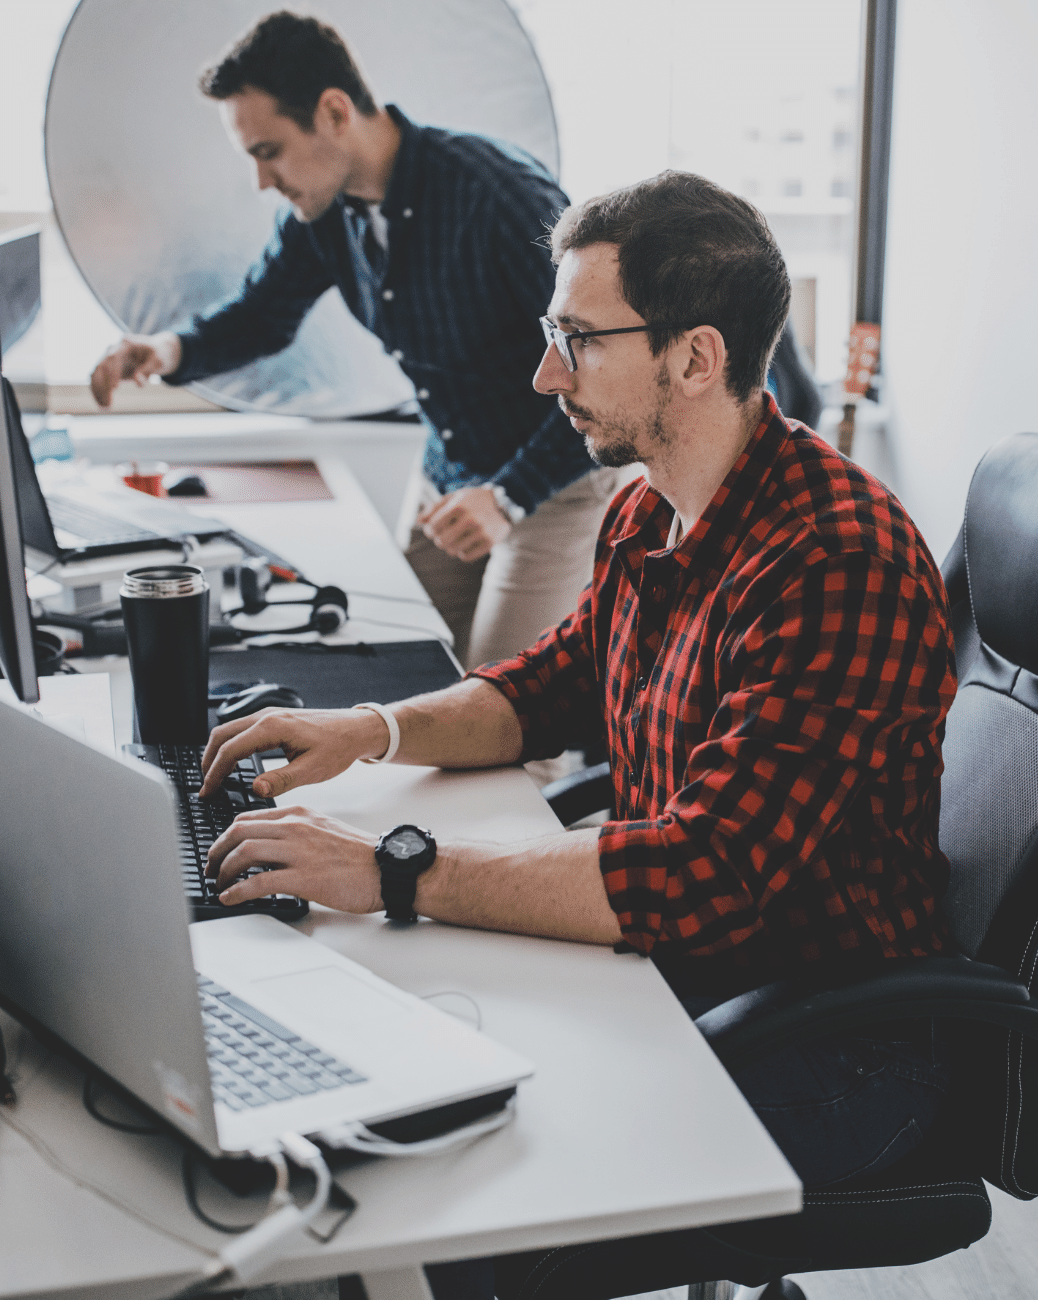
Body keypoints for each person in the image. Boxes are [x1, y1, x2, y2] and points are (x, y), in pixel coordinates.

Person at [199, 170, 958, 1201]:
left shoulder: (836, 561)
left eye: (581, 340)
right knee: (389, 1070)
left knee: (436, 1176)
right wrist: (368, 729)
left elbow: (705, 871)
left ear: (695, 357)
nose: (547, 377)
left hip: (828, 1043)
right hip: (680, 976)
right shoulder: (650, 510)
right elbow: (550, 689)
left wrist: (392, 867)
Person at [88, 10, 616, 669]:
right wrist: (166, 352)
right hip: (453, 477)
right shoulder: (323, 213)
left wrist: (509, 496)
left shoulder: (495, 192)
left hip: (556, 478)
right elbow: (262, 316)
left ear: (335, 113)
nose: (261, 182)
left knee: (508, 711)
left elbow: (602, 370)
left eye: (268, 151)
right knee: (406, 667)